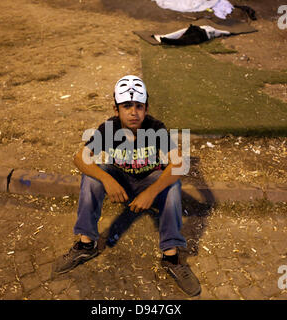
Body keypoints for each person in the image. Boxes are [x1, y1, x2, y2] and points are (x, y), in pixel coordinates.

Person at [51, 75, 201, 296]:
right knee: (92, 176)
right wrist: (107, 179)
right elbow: (80, 158)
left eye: (139, 106)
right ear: (116, 109)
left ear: (146, 108)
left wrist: (151, 192)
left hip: (147, 180)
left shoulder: (155, 127)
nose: (133, 112)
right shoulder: (109, 128)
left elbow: (179, 163)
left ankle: (171, 258)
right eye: (127, 106)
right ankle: (86, 245)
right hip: (120, 179)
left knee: (173, 188)